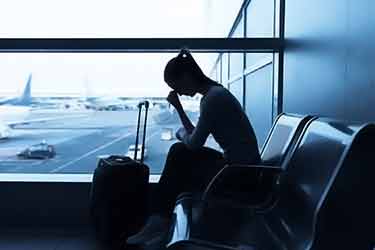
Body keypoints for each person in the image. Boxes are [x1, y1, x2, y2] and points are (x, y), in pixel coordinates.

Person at [127, 49, 260, 246]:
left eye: (177, 86)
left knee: (179, 153)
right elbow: (196, 137)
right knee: (180, 153)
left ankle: (159, 223)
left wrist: (180, 134)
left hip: (239, 173)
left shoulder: (212, 99)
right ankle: (161, 223)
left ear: (187, 77)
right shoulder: (216, 94)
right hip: (241, 166)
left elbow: (194, 143)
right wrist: (179, 109)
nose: (178, 92)